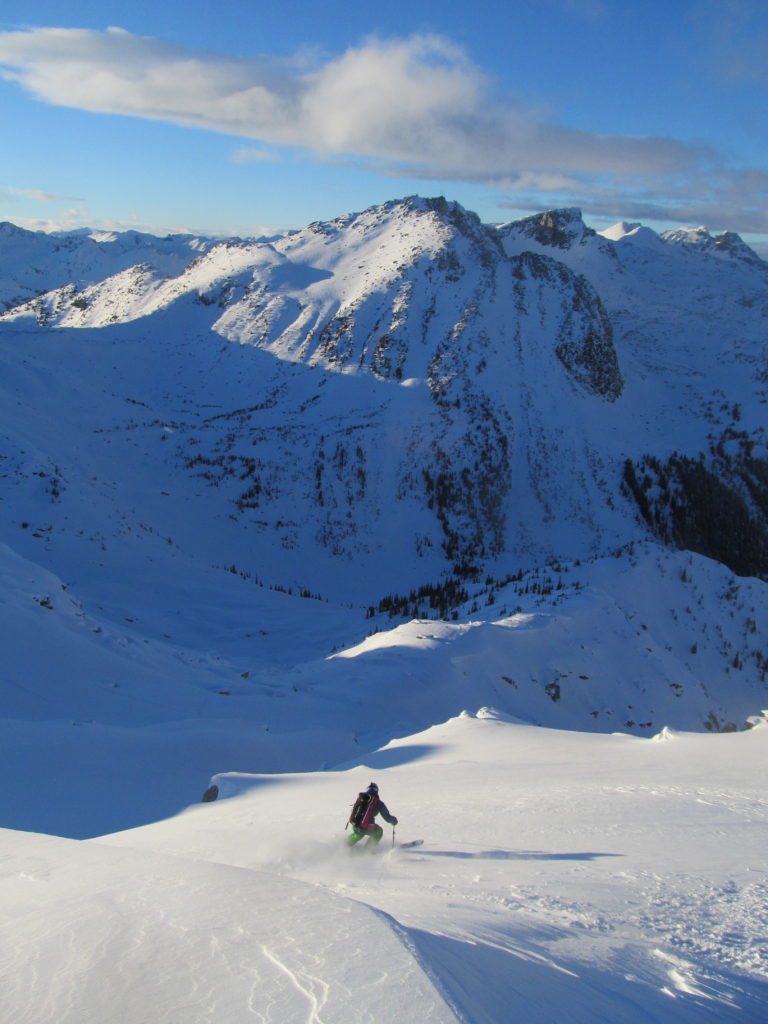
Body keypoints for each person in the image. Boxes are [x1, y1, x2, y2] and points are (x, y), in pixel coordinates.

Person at [345, 781, 398, 850]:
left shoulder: (362, 798)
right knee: (379, 832)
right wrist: (394, 821)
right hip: (366, 826)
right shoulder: (377, 802)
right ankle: (367, 851)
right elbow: (387, 818)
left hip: (355, 824)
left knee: (358, 834)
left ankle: (344, 846)